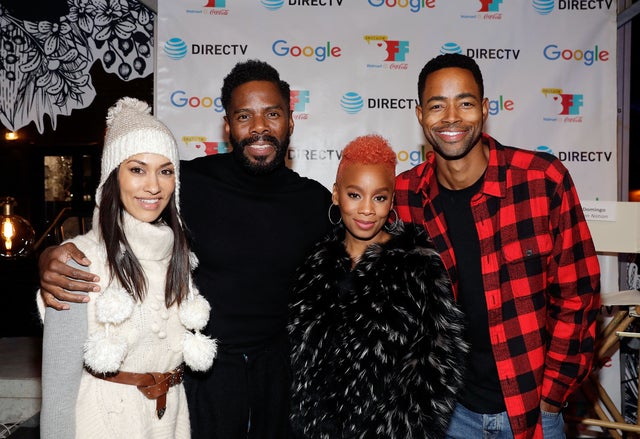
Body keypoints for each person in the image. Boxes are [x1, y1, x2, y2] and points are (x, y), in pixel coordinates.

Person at [37, 60, 332, 438]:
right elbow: (108, 216)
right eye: (244, 116)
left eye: (272, 114)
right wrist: (47, 256)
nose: (259, 127)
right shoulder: (185, 181)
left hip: (281, 376)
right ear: (227, 126)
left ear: (290, 121)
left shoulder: (315, 203)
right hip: (201, 378)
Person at [394, 53, 601, 439]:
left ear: (486, 110)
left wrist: (552, 398)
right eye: (438, 105)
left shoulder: (542, 180)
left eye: (466, 103)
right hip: (448, 413)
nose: (451, 117)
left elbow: (579, 295)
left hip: (531, 413)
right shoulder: (404, 194)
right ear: (420, 115)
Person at [38, 97, 216, 438]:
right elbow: (58, 390)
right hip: (103, 423)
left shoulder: (178, 255)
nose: (153, 186)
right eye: (137, 169)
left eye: (165, 170)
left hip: (170, 421)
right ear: (112, 177)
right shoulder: (77, 260)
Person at [288, 134, 468, 439]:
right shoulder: (313, 263)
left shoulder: (417, 266)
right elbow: (298, 363)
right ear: (336, 195)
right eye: (355, 195)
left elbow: (437, 367)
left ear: (392, 200)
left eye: (380, 197)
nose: (367, 210)